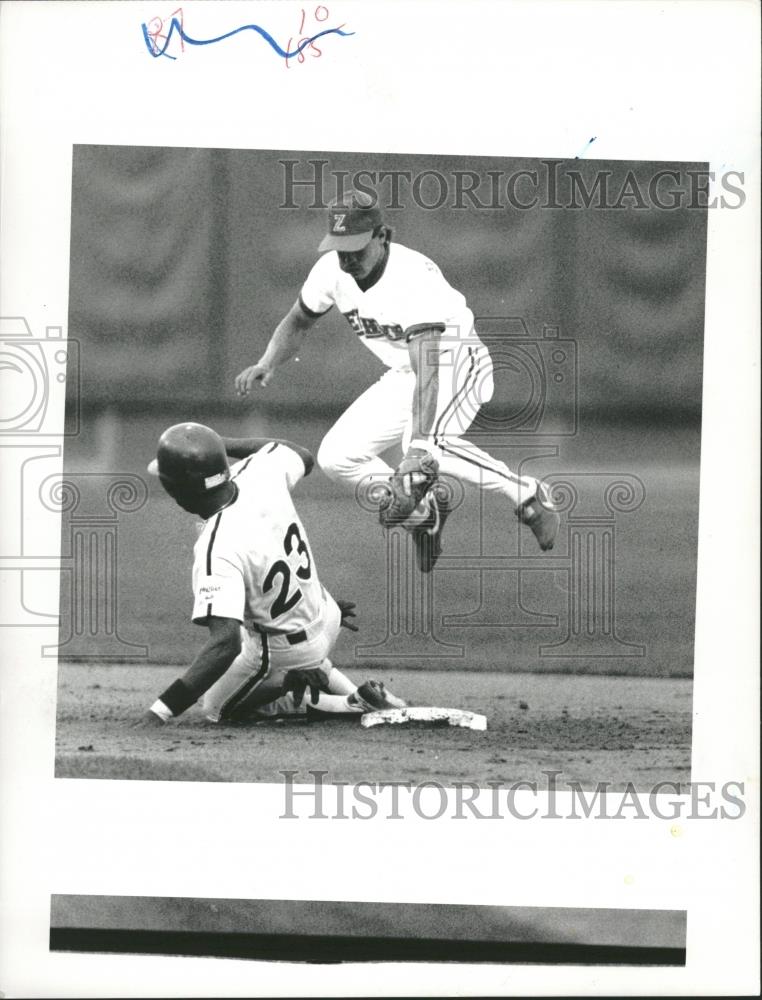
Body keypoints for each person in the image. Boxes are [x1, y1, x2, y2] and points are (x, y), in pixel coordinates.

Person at [235, 188, 559, 572]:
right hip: (407, 371)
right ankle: (424, 516)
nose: (348, 258)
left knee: (421, 445)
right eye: (341, 248)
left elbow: (429, 368)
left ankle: (527, 493)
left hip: (458, 363)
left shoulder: (413, 278)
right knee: (336, 458)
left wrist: (419, 449)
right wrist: (268, 361)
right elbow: (299, 320)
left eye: (356, 246)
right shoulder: (330, 271)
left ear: (382, 236)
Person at [133, 422, 406, 728]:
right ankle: (356, 690)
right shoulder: (259, 473)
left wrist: (160, 711)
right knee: (251, 631)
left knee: (216, 707)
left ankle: (346, 703)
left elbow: (225, 645)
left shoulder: (216, 546)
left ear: (177, 492)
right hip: (326, 613)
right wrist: (219, 444)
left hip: (285, 651)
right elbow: (301, 454)